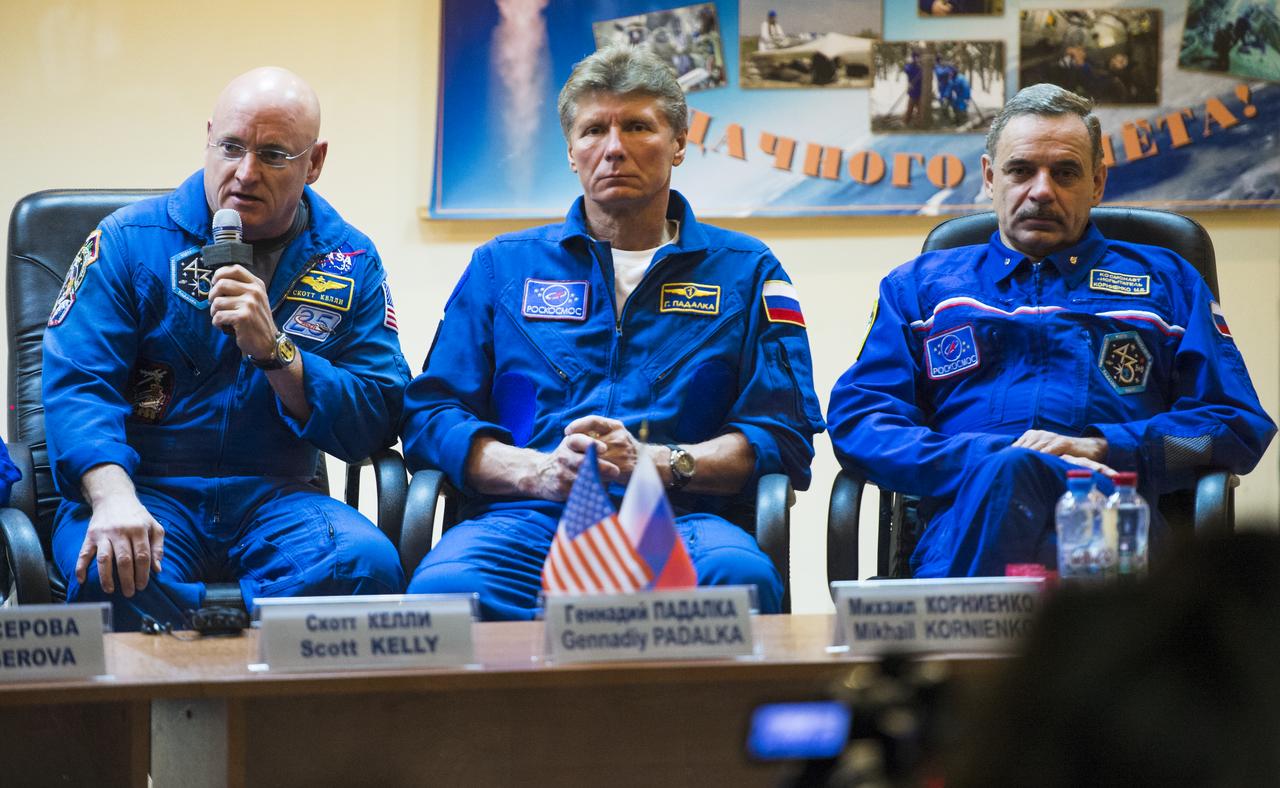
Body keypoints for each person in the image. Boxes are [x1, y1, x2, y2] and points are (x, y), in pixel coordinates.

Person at [400, 45, 824, 620]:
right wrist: (534, 471)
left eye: (638, 126)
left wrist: (662, 462)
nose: (615, 148)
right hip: (527, 518)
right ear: (571, 151)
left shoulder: (748, 271)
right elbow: (432, 415)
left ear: (679, 143)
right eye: (594, 129)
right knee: (446, 592)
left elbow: (783, 434)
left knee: (738, 582)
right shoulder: (501, 266)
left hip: (681, 518)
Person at [827, 83, 1275, 578]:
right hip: (963, 522)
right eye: (1021, 170)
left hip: (1113, 520)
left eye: (1065, 172)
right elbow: (861, 424)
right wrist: (989, 458)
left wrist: (1105, 447)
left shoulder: (1167, 283)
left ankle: (967, 625)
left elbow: (1233, 427)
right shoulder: (919, 289)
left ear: (1097, 183)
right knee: (1011, 470)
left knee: (1026, 483)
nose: (1041, 191)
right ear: (990, 177)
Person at [43, 67, 409, 630]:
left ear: (314, 162)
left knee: (364, 566)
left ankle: (226, 654)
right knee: (112, 569)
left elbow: (378, 414)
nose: (245, 173)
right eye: (232, 147)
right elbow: (78, 387)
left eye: (274, 155)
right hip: (146, 488)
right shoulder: (128, 242)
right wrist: (112, 496)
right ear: (208, 137)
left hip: (277, 494)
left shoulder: (349, 259)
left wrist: (278, 354)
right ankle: (217, 651)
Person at [903, 51, 923, 126]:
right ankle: (906, 121)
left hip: (920, 91)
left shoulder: (921, 67)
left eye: (918, 57)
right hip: (912, 91)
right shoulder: (910, 66)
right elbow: (906, 69)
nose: (917, 59)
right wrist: (914, 64)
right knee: (910, 108)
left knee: (920, 109)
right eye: (916, 57)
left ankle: (919, 123)